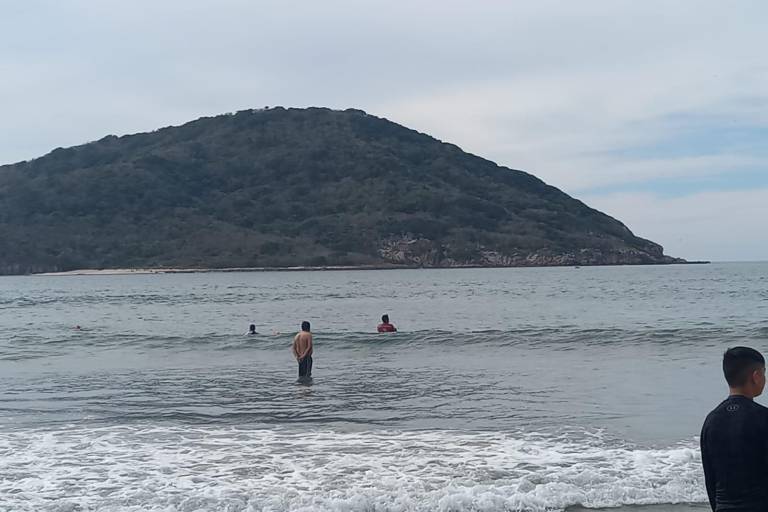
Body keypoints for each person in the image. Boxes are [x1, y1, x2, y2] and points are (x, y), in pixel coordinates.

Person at [700, 346, 768, 511]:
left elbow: (710, 479)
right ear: (756, 376)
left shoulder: (711, 420)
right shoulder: (763, 417)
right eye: (764, 373)